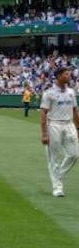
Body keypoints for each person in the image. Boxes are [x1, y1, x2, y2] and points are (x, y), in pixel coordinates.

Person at [40, 67, 79, 197]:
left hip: (69, 125)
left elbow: (75, 111)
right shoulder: (49, 93)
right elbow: (43, 114)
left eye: (69, 74)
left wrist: (78, 128)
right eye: (66, 74)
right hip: (54, 125)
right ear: (58, 76)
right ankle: (57, 188)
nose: (69, 76)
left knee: (74, 154)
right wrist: (44, 133)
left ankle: (58, 176)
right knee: (54, 158)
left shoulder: (71, 92)